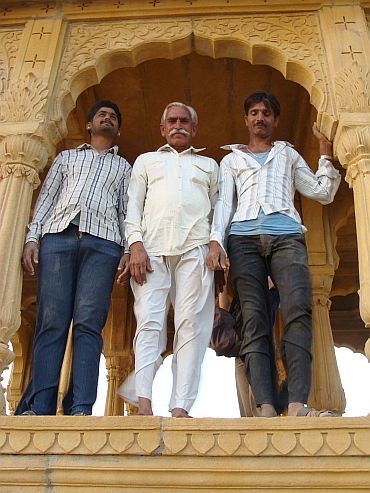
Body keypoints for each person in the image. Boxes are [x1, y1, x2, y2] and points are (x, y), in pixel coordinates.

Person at [206, 90, 341, 418]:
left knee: (298, 310)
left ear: (275, 120)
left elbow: (322, 193)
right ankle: (265, 405)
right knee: (253, 322)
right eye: (254, 112)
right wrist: (215, 242)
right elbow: (225, 204)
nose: (260, 118)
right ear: (246, 119)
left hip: (286, 237)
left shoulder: (288, 155)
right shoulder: (231, 160)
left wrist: (325, 150)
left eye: (266, 113)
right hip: (243, 239)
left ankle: (296, 403)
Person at [15, 100, 132, 416]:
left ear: (118, 130)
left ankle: (80, 405)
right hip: (58, 237)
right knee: (51, 320)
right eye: (101, 115)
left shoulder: (124, 167)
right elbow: (47, 198)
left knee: (88, 324)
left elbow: (126, 211)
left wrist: (127, 249)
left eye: (112, 117)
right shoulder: (67, 158)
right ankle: (39, 405)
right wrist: (31, 237)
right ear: (89, 126)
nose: (106, 118)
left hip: (104, 243)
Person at [118, 102, 219, 418]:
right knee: (149, 322)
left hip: (195, 249)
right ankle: (143, 401)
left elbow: (218, 210)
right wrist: (135, 245)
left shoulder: (209, 165)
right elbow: (133, 205)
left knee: (191, 326)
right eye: (172, 121)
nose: (178, 125)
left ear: (194, 128)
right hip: (151, 251)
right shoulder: (147, 162)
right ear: (162, 128)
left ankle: (180, 406)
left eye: (184, 121)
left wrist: (216, 246)